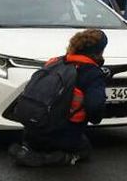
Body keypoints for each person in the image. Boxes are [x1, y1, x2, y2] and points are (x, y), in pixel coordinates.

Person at [9, 29, 109, 167]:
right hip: (64, 135)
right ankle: (55, 158)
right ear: (99, 50)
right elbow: (95, 108)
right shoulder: (91, 72)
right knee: (85, 148)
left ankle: (29, 150)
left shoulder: (54, 63)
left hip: (32, 130)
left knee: (41, 141)